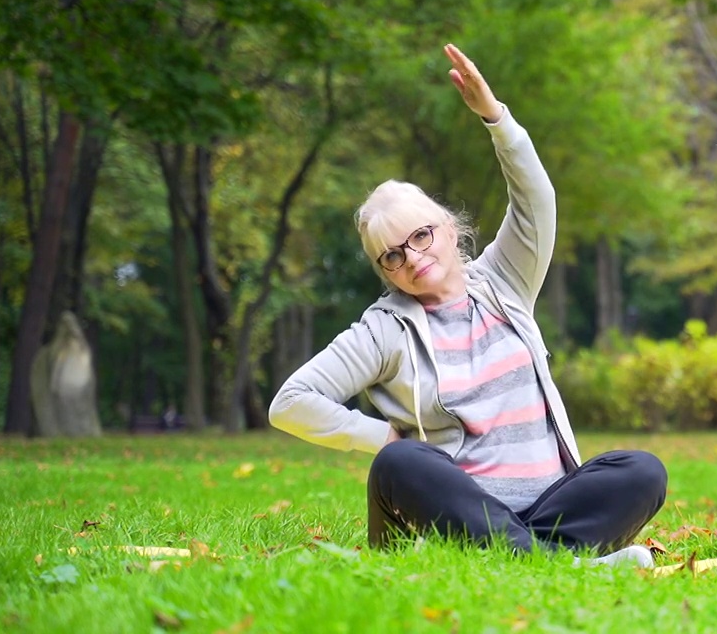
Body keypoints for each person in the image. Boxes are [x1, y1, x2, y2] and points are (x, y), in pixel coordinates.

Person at [269, 44, 668, 567]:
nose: (412, 257)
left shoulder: (506, 281)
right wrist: (381, 434)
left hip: (550, 507)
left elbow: (535, 201)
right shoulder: (383, 331)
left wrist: (495, 118)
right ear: (384, 270)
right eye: (391, 254)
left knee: (641, 470)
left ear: (449, 229)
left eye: (420, 235)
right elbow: (290, 401)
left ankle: (536, 559)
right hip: (456, 516)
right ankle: (563, 567)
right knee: (399, 463)